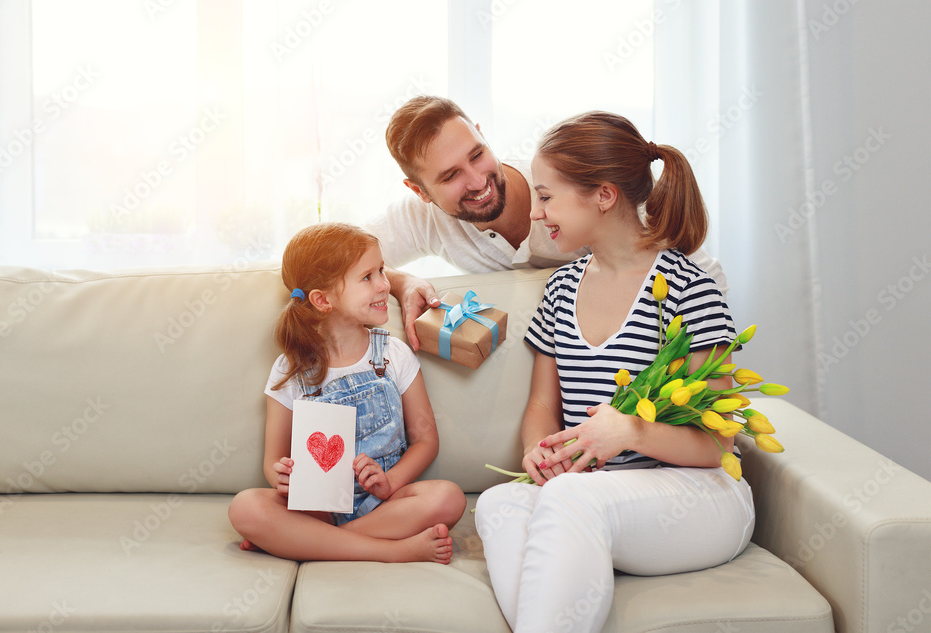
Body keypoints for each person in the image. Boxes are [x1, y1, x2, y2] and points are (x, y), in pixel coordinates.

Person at [472, 112, 755, 632]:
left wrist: (629, 431)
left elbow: (719, 445)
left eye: (547, 197)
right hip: (605, 495)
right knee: (500, 502)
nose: (534, 214)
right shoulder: (560, 290)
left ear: (603, 195)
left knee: (568, 498)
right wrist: (539, 451)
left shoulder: (689, 288)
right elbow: (542, 407)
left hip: (700, 494)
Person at [367, 95, 729, 351]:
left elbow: (704, 279)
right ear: (420, 190)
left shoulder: (585, 196)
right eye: (450, 176)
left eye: (477, 155)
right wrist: (400, 279)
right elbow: (324, 259)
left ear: (482, 135)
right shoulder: (421, 219)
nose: (477, 181)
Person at [227, 222, 466, 564]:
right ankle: (392, 551)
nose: (385, 284)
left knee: (448, 497)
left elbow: (426, 439)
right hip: (317, 509)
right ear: (323, 300)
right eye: (367, 277)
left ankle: (307, 544)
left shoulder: (392, 353)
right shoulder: (290, 368)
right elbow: (273, 458)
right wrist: (278, 474)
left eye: (381, 271)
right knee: (246, 507)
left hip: (385, 504)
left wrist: (390, 481)